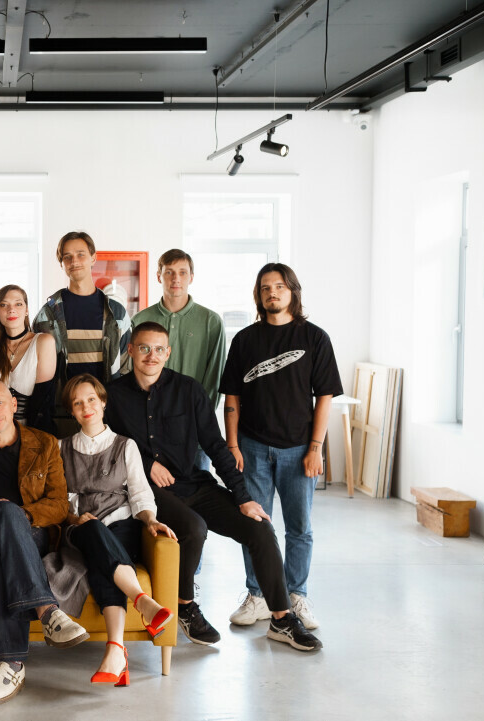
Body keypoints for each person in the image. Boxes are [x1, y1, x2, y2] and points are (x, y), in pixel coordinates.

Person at [106, 322, 322, 652]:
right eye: (145, 348)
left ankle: (281, 618)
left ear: (168, 353)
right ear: (131, 350)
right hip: (147, 491)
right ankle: (185, 607)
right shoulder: (113, 396)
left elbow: (216, 446)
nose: (152, 356)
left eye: (159, 349)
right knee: (194, 528)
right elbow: (108, 445)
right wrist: (147, 463)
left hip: (193, 483)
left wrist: (243, 497)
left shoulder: (189, 390)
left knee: (260, 527)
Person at [0, 379, 88, 706]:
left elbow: (59, 505)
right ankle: (48, 612)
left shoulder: (44, 443)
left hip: (28, 531)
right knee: (0, 522)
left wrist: (22, 514)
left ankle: (10, 664)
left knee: (2, 538)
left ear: (13, 404)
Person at [221, 263, 343, 631]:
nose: (272, 292)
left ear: (292, 291)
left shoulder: (315, 338)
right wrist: (232, 445)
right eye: (265, 287)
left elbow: (324, 397)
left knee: (299, 528)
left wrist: (315, 448)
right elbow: (232, 396)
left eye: (279, 286)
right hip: (252, 447)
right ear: (258, 295)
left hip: (298, 450)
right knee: (255, 526)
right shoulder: (245, 340)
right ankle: (258, 595)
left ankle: (296, 595)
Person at [46, 374, 174, 687]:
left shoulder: (125, 446)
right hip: (81, 527)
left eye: (91, 399)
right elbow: (61, 501)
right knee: (92, 532)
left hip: (120, 524)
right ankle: (142, 602)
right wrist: (75, 519)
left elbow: (140, 493)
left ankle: (116, 651)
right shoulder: (61, 448)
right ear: (71, 411)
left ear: (103, 402)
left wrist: (150, 520)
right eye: (77, 403)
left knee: (102, 564)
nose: (86, 407)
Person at [132, 249, 226, 471]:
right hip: (150, 431)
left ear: (191, 277)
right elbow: (132, 374)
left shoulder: (211, 321)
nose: (176, 278)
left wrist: (200, 423)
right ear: (159, 276)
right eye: (169, 272)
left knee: (198, 489)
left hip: (193, 433)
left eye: (182, 272)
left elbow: (215, 379)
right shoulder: (140, 320)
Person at [33, 231, 131, 434]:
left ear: (93, 258)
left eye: (80, 254)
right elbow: (36, 373)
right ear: (61, 263)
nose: (74, 261)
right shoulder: (47, 315)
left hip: (108, 418)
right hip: (62, 418)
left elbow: (126, 369)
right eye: (67, 257)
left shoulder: (117, 314)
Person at [0, 284, 57, 434]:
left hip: (34, 431)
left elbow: (43, 401)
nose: (11, 310)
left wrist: (24, 439)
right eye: (4, 305)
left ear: (26, 310)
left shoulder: (44, 342)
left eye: (18, 304)